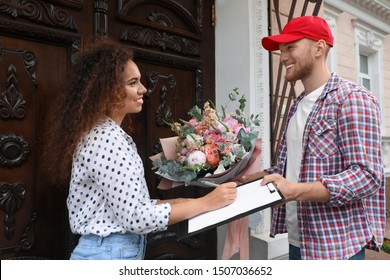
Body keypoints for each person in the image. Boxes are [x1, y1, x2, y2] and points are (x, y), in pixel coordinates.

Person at [43, 38, 237, 260]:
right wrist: (205, 203)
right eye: (133, 82)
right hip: (107, 255)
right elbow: (136, 217)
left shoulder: (105, 134)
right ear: (108, 90)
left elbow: (129, 206)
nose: (143, 89)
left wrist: (184, 203)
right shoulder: (106, 140)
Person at [260, 16, 386, 260]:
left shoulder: (352, 99)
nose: (282, 57)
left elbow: (367, 176)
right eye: (281, 50)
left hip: (335, 249)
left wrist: (294, 191)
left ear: (319, 48)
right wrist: (249, 178)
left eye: (290, 47)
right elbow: (297, 168)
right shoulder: (297, 105)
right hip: (298, 239)